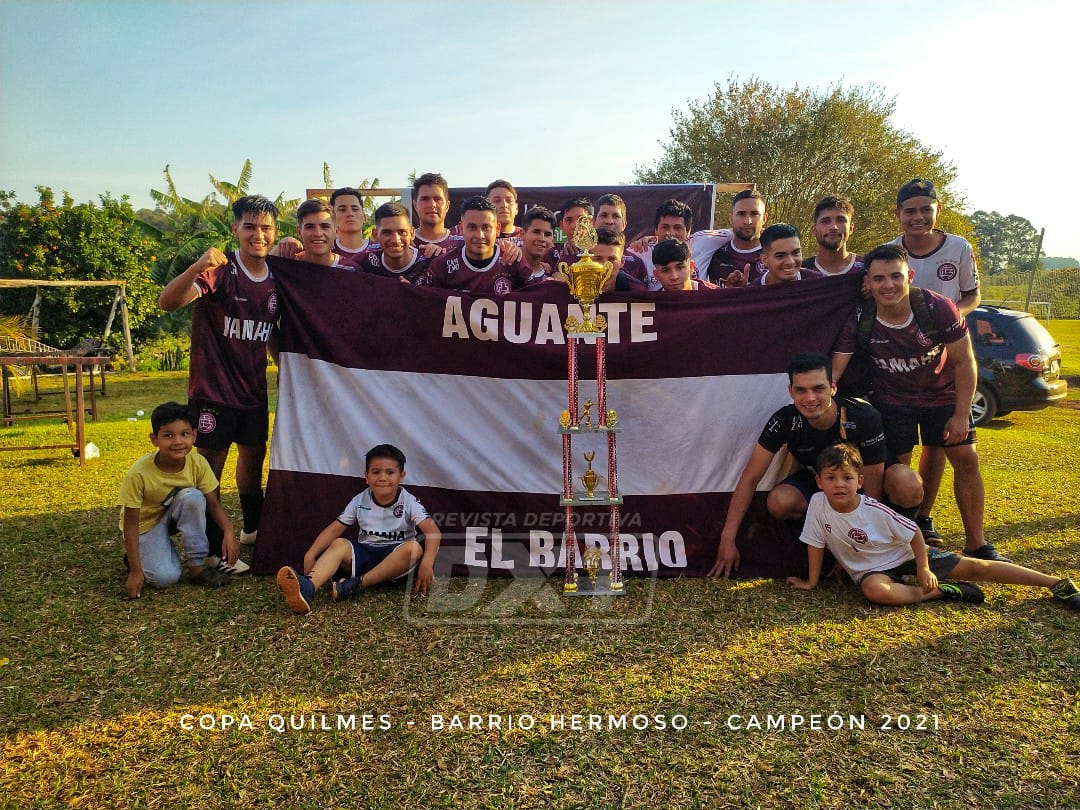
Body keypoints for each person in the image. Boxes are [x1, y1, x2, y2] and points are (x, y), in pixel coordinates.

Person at [831, 244, 1005, 561]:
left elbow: (965, 361)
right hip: (892, 401)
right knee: (898, 475)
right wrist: (825, 389)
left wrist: (962, 413)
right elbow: (838, 364)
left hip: (942, 395)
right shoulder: (861, 317)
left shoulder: (937, 307)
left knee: (966, 457)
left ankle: (977, 544)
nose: (888, 285)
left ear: (909, 275)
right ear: (867, 282)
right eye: (879, 278)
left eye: (896, 277)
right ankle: (903, 542)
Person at [787, 444, 1080, 612]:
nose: (840, 485)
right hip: (871, 571)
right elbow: (816, 542)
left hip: (906, 555)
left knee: (978, 567)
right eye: (832, 478)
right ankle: (944, 592)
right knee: (876, 592)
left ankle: (1055, 583)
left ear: (860, 482)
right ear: (819, 482)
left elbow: (913, 532)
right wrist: (812, 582)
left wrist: (924, 568)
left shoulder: (872, 509)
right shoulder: (817, 503)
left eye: (847, 478)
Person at [708, 353, 922, 579]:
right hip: (824, 482)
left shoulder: (863, 415)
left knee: (907, 483)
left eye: (818, 389)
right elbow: (750, 478)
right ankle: (829, 550)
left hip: (865, 482)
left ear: (833, 388)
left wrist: (859, 546)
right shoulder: (784, 420)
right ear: (791, 392)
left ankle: (900, 547)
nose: (810, 398)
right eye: (801, 390)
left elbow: (873, 491)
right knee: (780, 502)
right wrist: (727, 539)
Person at [158, 194, 280, 570]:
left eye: (265, 228)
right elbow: (168, 302)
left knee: (254, 456)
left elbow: (271, 332)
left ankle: (252, 529)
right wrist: (197, 264)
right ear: (236, 230)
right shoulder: (220, 271)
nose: (257, 235)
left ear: (274, 232)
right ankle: (212, 549)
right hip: (213, 391)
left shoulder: (276, 277)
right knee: (210, 466)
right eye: (250, 227)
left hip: (253, 389)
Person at [889, 178, 982, 546]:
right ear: (898, 215)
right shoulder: (888, 252)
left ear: (937, 210)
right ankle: (905, 522)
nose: (918, 217)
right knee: (901, 453)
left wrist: (950, 318)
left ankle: (935, 522)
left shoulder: (958, 247)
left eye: (925, 209)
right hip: (900, 368)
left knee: (942, 444)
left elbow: (973, 293)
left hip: (948, 356)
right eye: (910, 211)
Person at [276, 444, 442, 614]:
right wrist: (310, 554)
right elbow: (335, 529)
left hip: (395, 561)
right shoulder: (359, 500)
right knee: (339, 543)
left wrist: (427, 563)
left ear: (402, 476)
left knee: (414, 548)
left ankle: (358, 584)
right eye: (376, 472)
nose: (382, 478)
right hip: (365, 556)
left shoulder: (409, 501)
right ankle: (308, 587)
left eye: (390, 472)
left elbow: (433, 531)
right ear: (366, 477)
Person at [118, 402, 234, 597]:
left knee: (194, 497)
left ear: (194, 435)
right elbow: (130, 523)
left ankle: (198, 568)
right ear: (154, 439)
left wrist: (229, 532)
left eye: (184, 434)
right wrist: (136, 571)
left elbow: (213, 503)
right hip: (145, 524)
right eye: (168, 435)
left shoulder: (197, 462)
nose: (178, 441)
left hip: (174, 514)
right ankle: (136, 558)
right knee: (165, 579)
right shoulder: (138, 473)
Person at [417, 196, 531, 295]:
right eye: (472, 227)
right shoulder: (442, 266)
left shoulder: (514, 262)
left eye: (486, 227)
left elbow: (537, 298)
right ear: (461, 229)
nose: (479, 235)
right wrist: (405, 289)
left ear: (497, 229)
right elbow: (421, 298)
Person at [697, 189, 769, 286]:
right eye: (741, 214)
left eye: (754, 214)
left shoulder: (776, 256)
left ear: (764, 218)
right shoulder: (716, 257)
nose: (748, 221)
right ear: (731, 219)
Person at [353, 201, 430, 282]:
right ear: (375, 234)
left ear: (411, 233)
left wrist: (412, 292)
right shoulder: (364, 260)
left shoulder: (429, 262)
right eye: (387, 232)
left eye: (402, 232)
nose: (395, 240)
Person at [593, 192, 648, 285]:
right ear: (592, 222)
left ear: (624, 224)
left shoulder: (637, 263)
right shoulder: (577, 257)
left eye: (616, 216)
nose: (609, 221)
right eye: (604, 215)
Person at [803, 195, 864, 277]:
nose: (833, 227)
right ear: (814, 229)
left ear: (851, 228)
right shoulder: (802, 272)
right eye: (825, 221)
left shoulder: (867, 269)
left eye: (841, 220)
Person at [412, 172, 462, 252]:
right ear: (415, 205)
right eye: (425, 199)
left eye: (437, 199)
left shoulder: (462, 244)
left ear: (447, 206)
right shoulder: (405, 244)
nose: (432, 204)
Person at [755, 224, 820, 285]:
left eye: (796, 253)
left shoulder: (819, 283)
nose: (790, 262)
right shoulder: (753, 292)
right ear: (764, 260)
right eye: (780, 256)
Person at [544, 197, 594, 269]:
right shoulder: (552, 254)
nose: (574, 226)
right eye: (569, 220)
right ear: (562, 226)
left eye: (581, 219)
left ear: (590, 223)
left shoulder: (599, 251)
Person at [652, 239, 717, 291]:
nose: (674, 277)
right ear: (656, 275)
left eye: (680, 268)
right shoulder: (652, 303)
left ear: (691, 267)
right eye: (665, 270)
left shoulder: (716, 296)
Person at [330, 186, 371, 260]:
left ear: (364, 217)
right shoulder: (326, 251)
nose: (350, 213)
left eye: (355, 209)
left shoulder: (380, 250)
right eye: (342, 210)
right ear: (332, 218)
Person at [519, 206, 557, 279]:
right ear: (522, 234)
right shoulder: (505, 267)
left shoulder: (552, 275)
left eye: (547, 234)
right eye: (536, 232)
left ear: (553, 239)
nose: (542, 239)